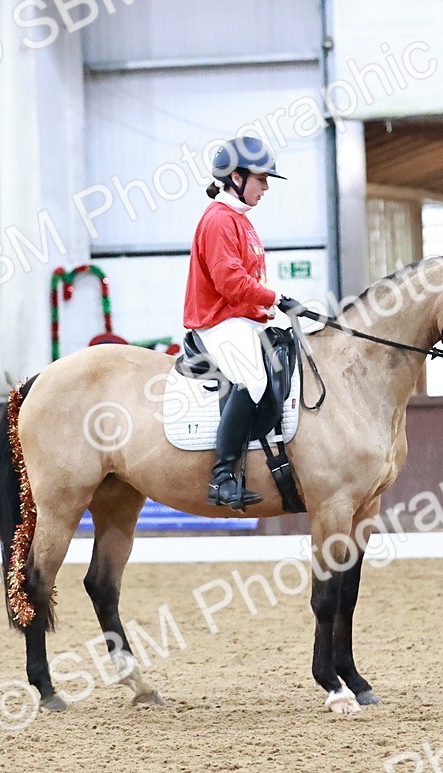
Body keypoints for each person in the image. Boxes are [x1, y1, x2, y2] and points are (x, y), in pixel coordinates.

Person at [183, 136, 301, 509]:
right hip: (217, 322)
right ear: (236, 177)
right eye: (261, 179)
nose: (266, 187)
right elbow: (229, 283)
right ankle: (222, 476)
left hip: (242, 319)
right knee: (253, 377)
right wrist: (275, 299)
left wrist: (272, 310)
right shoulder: (219, 220)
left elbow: (249, 283)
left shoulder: (241, 221)